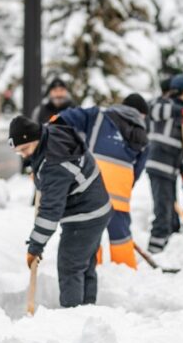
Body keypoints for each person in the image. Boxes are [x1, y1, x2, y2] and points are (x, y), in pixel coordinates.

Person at [9, 116, 111, 307]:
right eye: (18, 152)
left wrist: (35, 246)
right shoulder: (50, 134)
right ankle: (87, 311)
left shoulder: (54, 164)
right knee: (85, 265)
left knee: (70, 266)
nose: (23, 155)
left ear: (36, 138)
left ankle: (72, 315)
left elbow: (49, 212)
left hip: (85, 215)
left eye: (25, 149)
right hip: (96, 207)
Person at [55, 93, 149, 269]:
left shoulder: (97, 116)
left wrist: (50, 127)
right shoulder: (143, 137)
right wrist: (121, 189)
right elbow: (137, 171)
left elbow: (67, 117)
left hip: (91, 187)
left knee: (90, 230)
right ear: (142, 114)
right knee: (120, 235)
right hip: (119, 195)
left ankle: (91, 269)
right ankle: (126, 272)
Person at [145, 74, 183, 253]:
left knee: (170, 211)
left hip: (171, 168)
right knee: (163, 211)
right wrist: (178, 112)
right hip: (159, 165)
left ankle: (168, 247)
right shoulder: (165, 104)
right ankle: (155, 250)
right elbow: (152, 109)